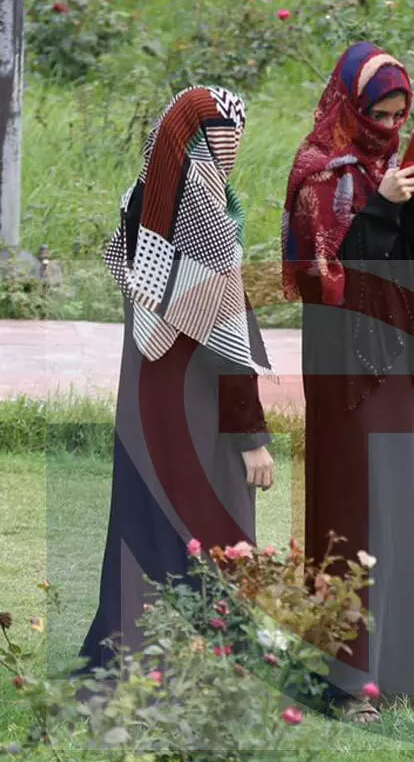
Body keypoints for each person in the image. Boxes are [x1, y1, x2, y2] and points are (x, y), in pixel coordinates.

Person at [80, 86, 276, 673]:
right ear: (211, 136)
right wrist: (253, 435)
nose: (237, 146)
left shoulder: (144, 191)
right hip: (197, 399)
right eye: (232, 133)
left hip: (147, 393)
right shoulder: (202, 202)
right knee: (213, 512)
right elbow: (227, 329)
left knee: (149, 509)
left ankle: (137, 644)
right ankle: (211, 649)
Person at [282, 42, 414, 723]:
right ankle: (346, 680)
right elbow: (325, 280)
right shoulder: (317, 172)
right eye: (379, 111)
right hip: (345, 367)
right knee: (353, 505)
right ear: (351, 103)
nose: (388, 125)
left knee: (399, 502)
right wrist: (378, 205)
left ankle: (406, 665)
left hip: (394, 361)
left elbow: (403, 271)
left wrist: (413, 208)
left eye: (400, 114)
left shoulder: (385, 168)